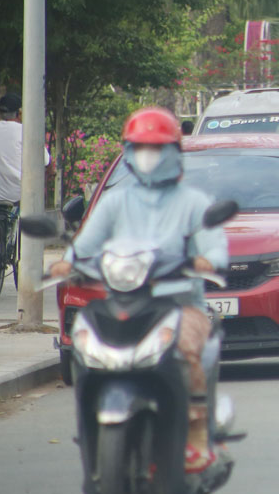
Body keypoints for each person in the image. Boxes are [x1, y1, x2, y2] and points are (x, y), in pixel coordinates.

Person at [47, 107, 228, 471]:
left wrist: (208, 260)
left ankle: (194, 434)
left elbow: (214, 246)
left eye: (157, 148)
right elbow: (85, 246)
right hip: (124, 303)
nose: (149, 155)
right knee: (85, 347)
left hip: (180, 304)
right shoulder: (115, 202)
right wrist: (68, 263)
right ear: (128, 151)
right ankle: (92, 423)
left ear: (175, 151)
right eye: (140, 147)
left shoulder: (193, 203)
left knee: (187, 351)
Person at [0, 93, 51, 291]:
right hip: (17, 191)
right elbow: (44, 160)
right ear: (20, 112)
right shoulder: (26, 130)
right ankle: (26, 262)